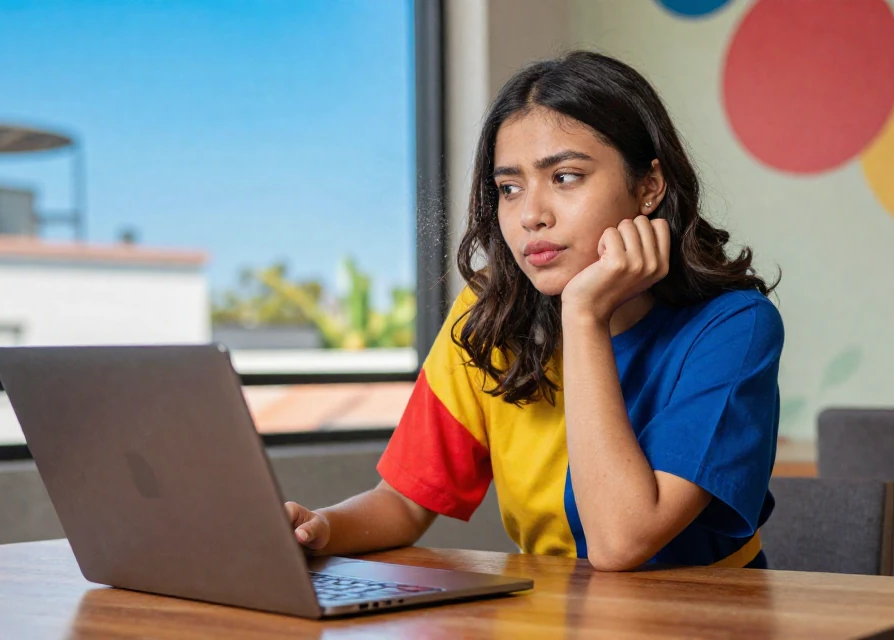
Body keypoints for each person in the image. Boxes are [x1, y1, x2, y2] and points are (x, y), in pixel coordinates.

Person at [284, 51, 783, 571]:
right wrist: (318, 529)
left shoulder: (733, 328)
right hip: (549, 614)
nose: (531, 216)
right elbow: (405, 503)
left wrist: (584, 315)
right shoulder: (488, 315)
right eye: (509, 188)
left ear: (648, 187)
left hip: (702, 620)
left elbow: (620, 542)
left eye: (565, 177)